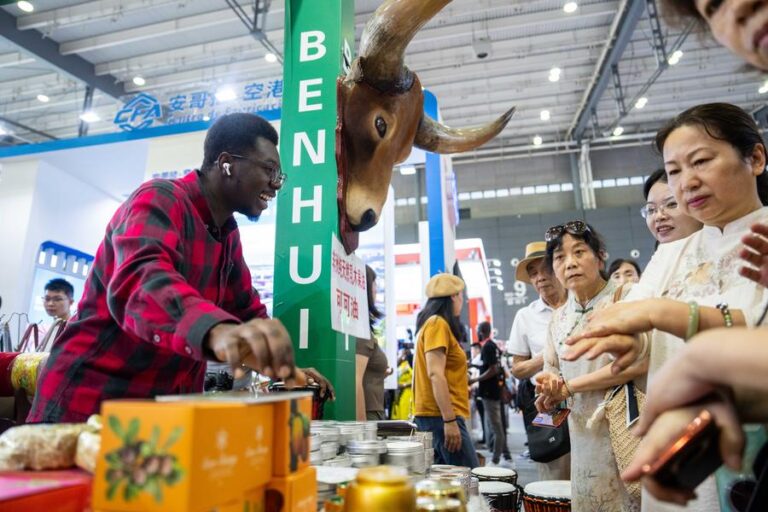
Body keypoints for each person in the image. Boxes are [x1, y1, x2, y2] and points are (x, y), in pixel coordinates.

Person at [27, 113, 332, 423]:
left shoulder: (227, 233)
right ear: (226, 163)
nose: (275, 184)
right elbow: (142, 281)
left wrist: (287, 370)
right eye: (269, 170)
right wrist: (216, 331)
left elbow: (246, 310)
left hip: (159, 411)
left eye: (280, 175)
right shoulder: (159, 198)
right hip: (90, 400)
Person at [564, 103, 768, 511]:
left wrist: (663, 315)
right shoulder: (673, 253)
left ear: (756, 158)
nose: (686, 182)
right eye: (674, 171)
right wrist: (626, 342)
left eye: (702, 161)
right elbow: (637, 328)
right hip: (673, 449)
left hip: (745, 455)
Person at [536, 221, 646, 512]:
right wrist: (548, 391)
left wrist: (569, 387)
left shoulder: (627, 297)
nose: (569, 263)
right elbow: (553, 370)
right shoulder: (558, 318)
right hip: (583, 440)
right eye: (560, 257)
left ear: (600, 257)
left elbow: (637, 363)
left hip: (630, 429)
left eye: (579, 252)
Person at [508, 241, 570, 479]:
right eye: (533, 273)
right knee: (553, 471)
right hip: (546, 403)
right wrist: (546, 357)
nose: (540, 278)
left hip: (587, 397)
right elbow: (517, 369)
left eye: (545, 269)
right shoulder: (526, 316)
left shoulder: (580, 305)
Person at [413, 273, 479, 468]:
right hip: (440, 416)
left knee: (448, 482)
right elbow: (435, 374)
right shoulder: (437, 324)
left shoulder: (434, 324)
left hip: (437, 415)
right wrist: (449, 420)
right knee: (468, 479)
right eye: (461, 296)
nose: (462, 301)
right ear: (453, 297)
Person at [470, 321, 509, 466]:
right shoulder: (492, 345)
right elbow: (491, 366)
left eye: (477, 331)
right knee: (495, 426)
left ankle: (496, 459)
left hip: (490, 392)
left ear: (481, 331)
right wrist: (474, 365)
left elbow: (493, 369)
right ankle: (505, 456)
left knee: (496, 427)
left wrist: (475, 379)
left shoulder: (487, 347)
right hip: (493, 391)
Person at [356, 265, 389, 421]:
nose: (376, 290)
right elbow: (355, 381)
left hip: (372, 412)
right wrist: (362, 431)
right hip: (368, 416)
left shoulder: (359, 327)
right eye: (374, 284)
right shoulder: (359, 330)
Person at [642, 169, 703, 245]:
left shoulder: (720, 252)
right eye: (651, 210)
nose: (659, 216)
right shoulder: (659, 256)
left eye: (671, 204)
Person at [39, 278, 75, 352]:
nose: (50, 304)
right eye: (47, 299)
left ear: (70, 302)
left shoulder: (74, 329)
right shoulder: (51, 328)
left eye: (57, 299)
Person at [391, 348, 413, 420]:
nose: (397, 356)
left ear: (403, 356)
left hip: (406, 397)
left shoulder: (405, 367)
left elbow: (415, 378)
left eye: (398, 354)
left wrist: (404, 385)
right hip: (401, 397)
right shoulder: (400, 367)